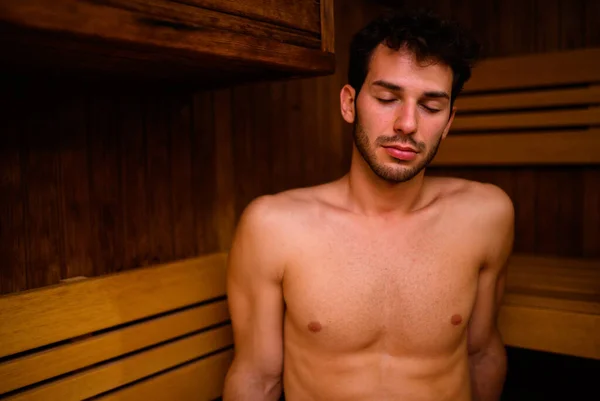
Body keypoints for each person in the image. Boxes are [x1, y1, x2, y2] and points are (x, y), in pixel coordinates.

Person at [223, 8, 513, 401]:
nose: (407, 124)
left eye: (430, 106)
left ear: (448, 123)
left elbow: (482, 354)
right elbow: (257, 378)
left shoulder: (485, 216)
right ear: (349, 102)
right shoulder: (275, 227)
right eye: (387, 97)